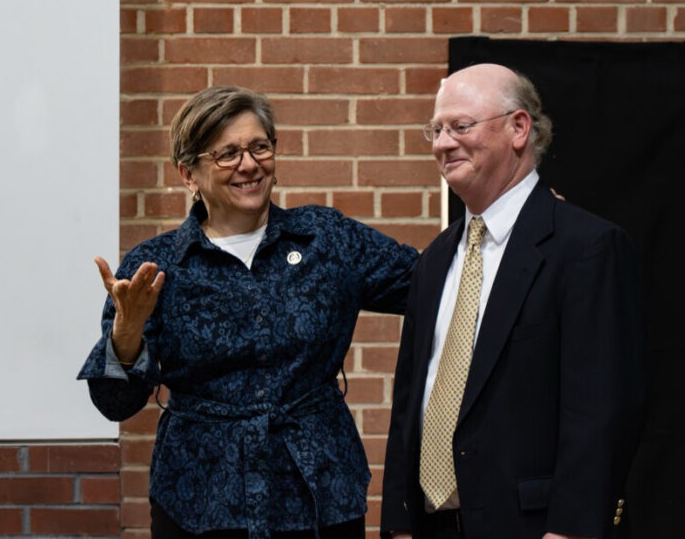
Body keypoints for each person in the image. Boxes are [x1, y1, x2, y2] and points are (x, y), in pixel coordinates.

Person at [77, 86, 419, 539]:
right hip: (200, 499)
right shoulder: (155, 267)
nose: (249, 164)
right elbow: (114, 405)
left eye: (260, 146)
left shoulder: (326, 239)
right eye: (227, 154)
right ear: (188, 174)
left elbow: (430, 283)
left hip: (318, 491)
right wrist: (128, 331)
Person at [380, 64, 646, 539]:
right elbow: (409, 408)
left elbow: (602, 410)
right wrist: (399, 526)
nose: (442, 143)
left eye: (460, 126)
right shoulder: (435, 261)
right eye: (436, 130)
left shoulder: (586, 248)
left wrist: (571, 531)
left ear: (518, 128)